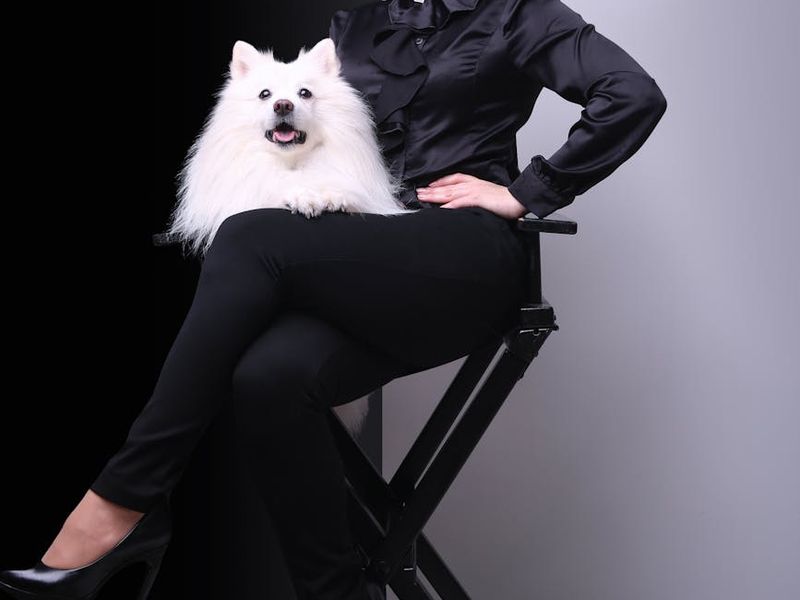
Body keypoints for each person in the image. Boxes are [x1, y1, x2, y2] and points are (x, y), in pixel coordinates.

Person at [0, 1, 667, 599]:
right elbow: (329, 141)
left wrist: (527, 191)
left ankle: (121, 502)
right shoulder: (358, 22)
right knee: (269, 378)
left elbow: (631, 94)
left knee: (249, 241)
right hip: (364, 245)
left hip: (463, 256)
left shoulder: (518, 12)